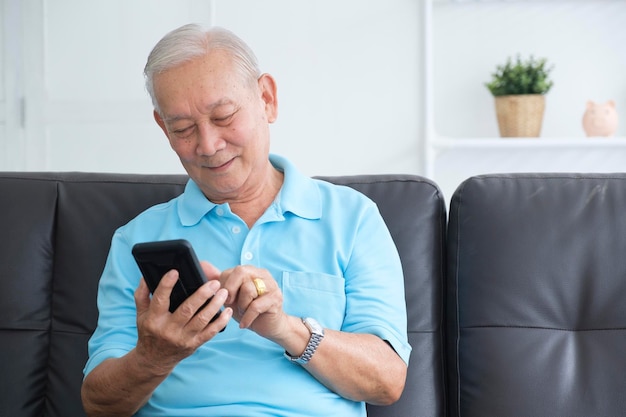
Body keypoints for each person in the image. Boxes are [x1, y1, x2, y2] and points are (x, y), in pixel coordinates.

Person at [81, 23, 410, 417]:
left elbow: (387, 382)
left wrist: (286, 329)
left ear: (267, 99)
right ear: (163, 128)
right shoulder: (137, 239)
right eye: (183, 129)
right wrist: (154, 357)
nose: (207, 145)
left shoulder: (352, 218)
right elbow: (99, 405)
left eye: (223, 116)